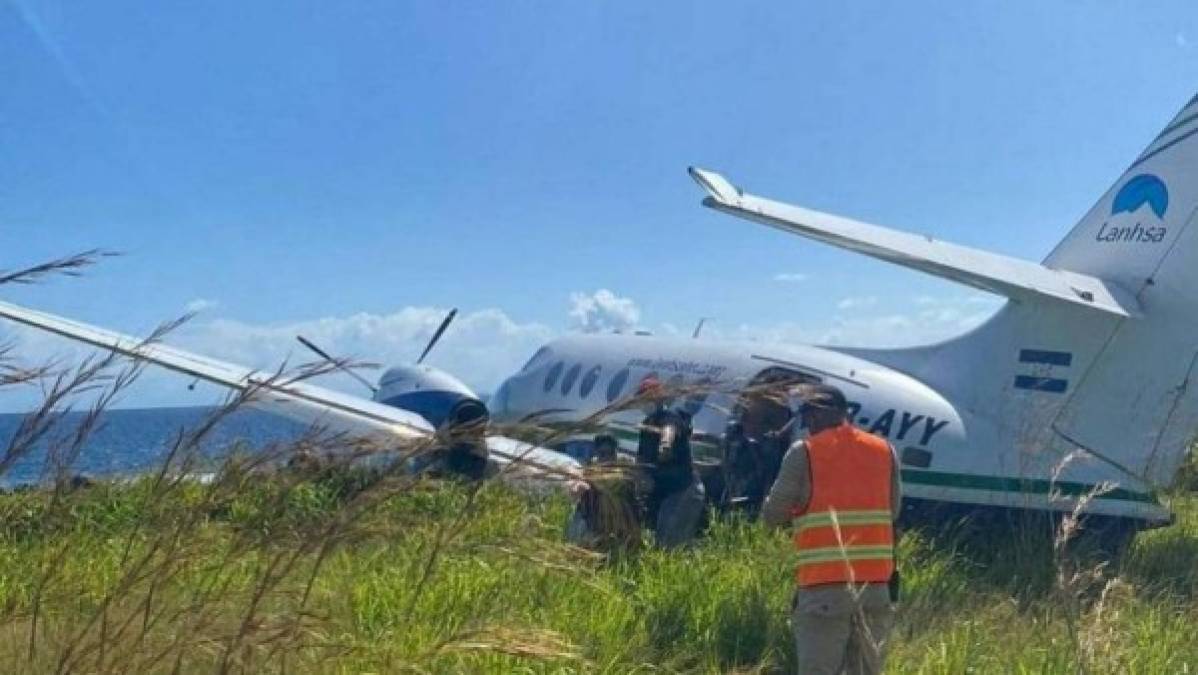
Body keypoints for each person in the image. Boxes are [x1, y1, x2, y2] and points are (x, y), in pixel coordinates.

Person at [762, 383, 902, 675]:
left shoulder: (805, 453)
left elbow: (773, 514)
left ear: (813, 416)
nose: (807, 426)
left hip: (825, 589)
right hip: (877, 587)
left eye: (807, 418)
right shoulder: (885, 450)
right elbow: (894, 510)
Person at [635, 376, 706, 548]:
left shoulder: (668, 416)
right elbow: (642, 458)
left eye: (648, 398)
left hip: (683, 489)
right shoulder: (646, 425)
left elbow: (669, 429)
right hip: (665, 492)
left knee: (671, 542)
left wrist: (665, 444)